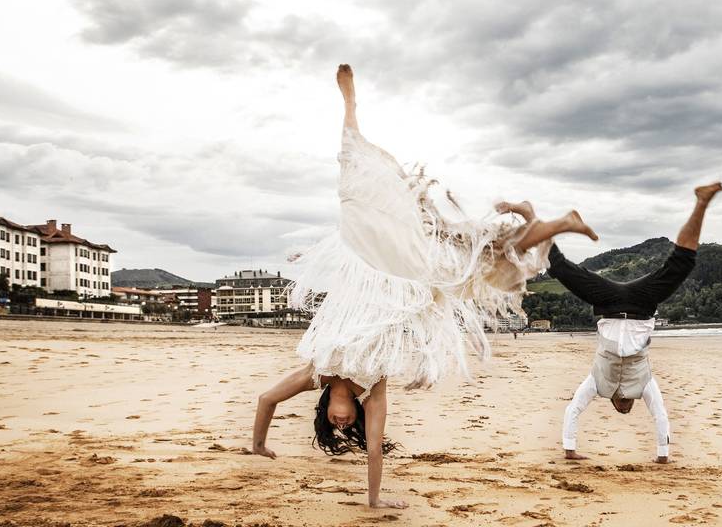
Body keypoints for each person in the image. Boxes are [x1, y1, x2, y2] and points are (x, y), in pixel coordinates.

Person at [250, 64, 598, 509]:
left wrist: (258, 444)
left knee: (354, 186)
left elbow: (265, 400)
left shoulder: (316, 373)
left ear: (323, 410)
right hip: (401, 280)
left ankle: (350, 104)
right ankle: (557, 224)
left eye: (331, 424)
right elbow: (375, 447)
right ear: (353, 416)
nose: (340, 424)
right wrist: (375, 502)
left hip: (364, 260)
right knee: (465, 270)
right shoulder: (373, 387)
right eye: (344, 428)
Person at [554, 182, 722, 463]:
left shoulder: (597, 383)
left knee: (560, 268)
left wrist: (570, 450)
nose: (624, 404)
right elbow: (660, 414)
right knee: (681, 264)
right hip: (642, 306)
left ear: (614, 402)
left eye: (621, 408)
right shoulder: (643, 384)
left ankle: (533, 218)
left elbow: (573, 409)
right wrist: (663, 455)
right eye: (627, 407)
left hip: (608, 304)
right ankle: (702, 201)